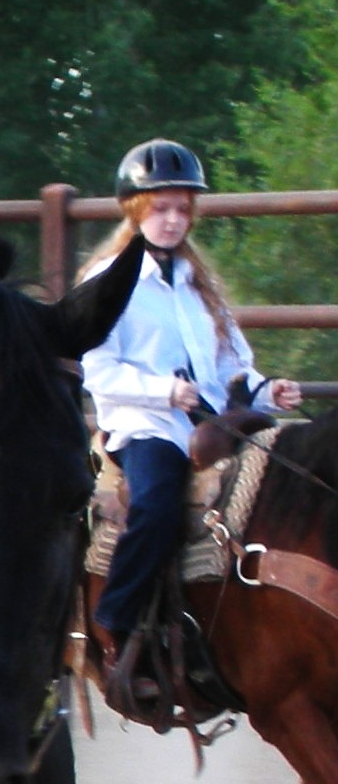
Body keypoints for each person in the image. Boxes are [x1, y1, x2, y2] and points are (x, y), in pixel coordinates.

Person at [81, 138, 301, 706]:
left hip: (210, 427)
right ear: (134, 210)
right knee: (155, 505)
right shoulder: (109, 281)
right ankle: (115, 624)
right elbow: (95, 369)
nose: (174, 219)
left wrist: (265, 390)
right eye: (161, 208)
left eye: (182, 208)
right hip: (144, 427)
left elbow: (234, 365)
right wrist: (162, 390)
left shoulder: (197, 283)